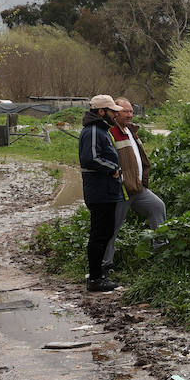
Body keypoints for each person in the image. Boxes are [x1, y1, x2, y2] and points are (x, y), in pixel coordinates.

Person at [101, 97, 166, 275]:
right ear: (115, 112)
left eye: (131, 111)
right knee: (111, 227)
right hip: (120, 190)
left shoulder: (130, 130)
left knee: (157, 206)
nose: (130, 114)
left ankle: (160, 253)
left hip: (137, 188)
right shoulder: (110, 132)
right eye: (125, 111)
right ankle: (105, 265)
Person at [78, 94, 123, 292]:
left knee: (105, 232)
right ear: (102, 112)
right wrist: (113, 168)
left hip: (106, 190)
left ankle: (99, 273)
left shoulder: (101, 130)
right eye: (113, 111)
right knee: (99, 234)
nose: (116, 115)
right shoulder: (94, 130)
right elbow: (91, 158)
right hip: (100, 191)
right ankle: (95, 278)